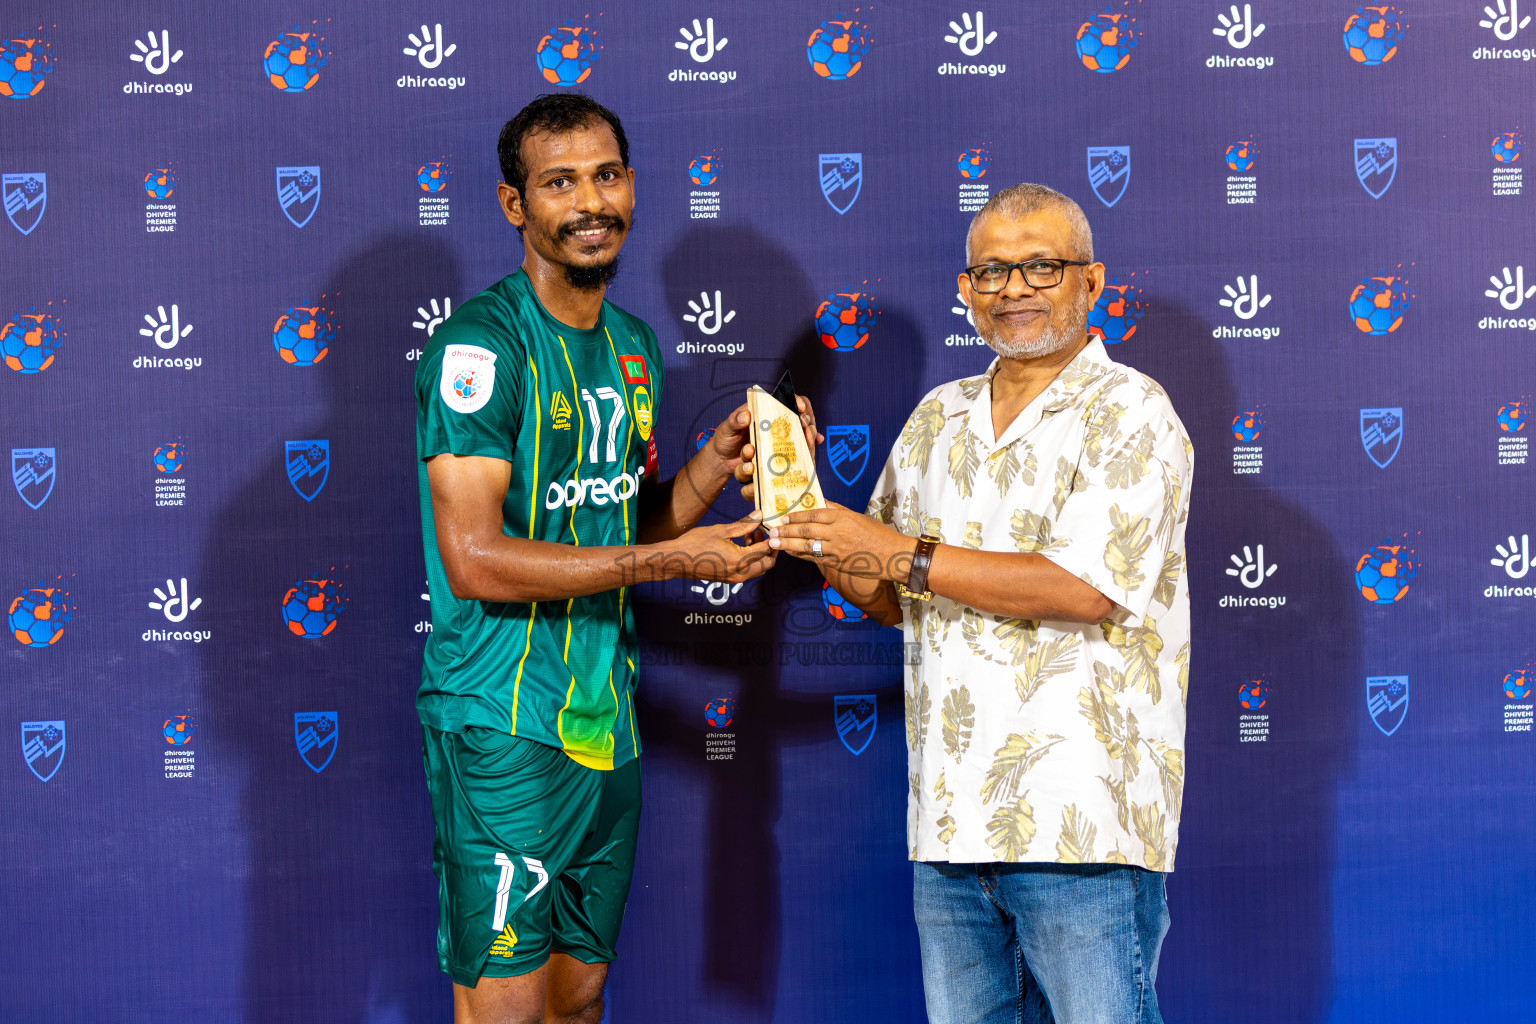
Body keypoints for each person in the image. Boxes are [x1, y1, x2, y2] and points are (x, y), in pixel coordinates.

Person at [413, 93, 816, 1024]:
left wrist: (713, 467)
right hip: (502, 726)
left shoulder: (633, 349)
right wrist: (675, 560)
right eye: (560, 183)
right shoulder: (481, 346)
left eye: (606, 176)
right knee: (505, 1006)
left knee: (579, 996)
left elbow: (620, 523)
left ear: (632, 186)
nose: (590, 201)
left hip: (604, 723)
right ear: (517, 207)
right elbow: (475, 559)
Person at [761, 183, 1192, 1024]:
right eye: (991, 271)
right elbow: (888, 595)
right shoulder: (937, 418)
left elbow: (1084, 587)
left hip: (1083, 824)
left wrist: (898, 553)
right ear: (965, 290)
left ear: (1092, 281)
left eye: (1040, 266)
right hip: (951, 824)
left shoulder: (1133, 410)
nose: (1014, 288)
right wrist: (805, 510)